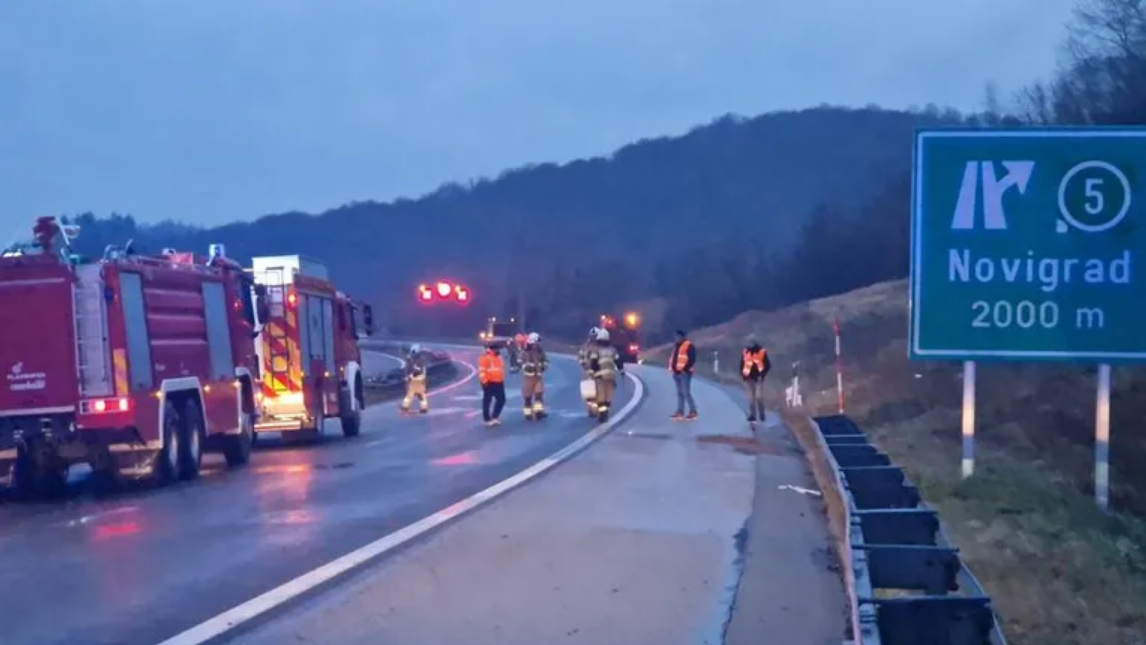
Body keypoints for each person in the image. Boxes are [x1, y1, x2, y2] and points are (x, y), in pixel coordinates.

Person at [585, 327, 619, 421]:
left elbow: (594, 362)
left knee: (601, 396)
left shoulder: (596, 350)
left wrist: (591, 372)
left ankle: (603, 414)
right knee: (608, 395)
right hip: (610, 376)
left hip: (600, 376)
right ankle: (605, 411)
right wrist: (621, 371)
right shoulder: (613, 350)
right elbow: (618, 361)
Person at [739, 334, 771, 423]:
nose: (749, 344)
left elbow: (767, 365)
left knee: (758, 397)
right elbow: (742, 364)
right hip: (748, 379)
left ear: (754, 342)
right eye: (748, 342)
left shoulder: (761, 351)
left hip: (758, 378)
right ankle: (753, 415)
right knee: (751, 398)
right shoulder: (745, 351)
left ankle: (762, 413)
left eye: (751, 342)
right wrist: (743, 375)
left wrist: (762, 375)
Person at [669, 329, 698, 420]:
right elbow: (674, 358)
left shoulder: (688, 345)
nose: (676, 338)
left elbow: (692, 359)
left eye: (677, 336)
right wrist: (673, 369)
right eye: (675, 337)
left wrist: (685, 369)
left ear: (682, 337)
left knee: (686, 392)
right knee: (680, 393)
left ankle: (693, 411)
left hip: (685, 373)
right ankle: (680, 412)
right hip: (676, 373)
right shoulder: (676, 346)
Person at [520, 332, 549, 420]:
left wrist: (544, 366)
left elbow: (546, 360)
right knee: (528, 397)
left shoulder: (541, 351)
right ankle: (528, 414)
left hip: (538, 377)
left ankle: (539, 412)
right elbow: (520, 362)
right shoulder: (525, 352)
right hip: (528, 378)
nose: (538, 344)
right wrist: (527, 367)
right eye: (537, 342)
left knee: (538, 395)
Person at [477, 342, 507, 426]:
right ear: (491, 349)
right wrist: (484, 381)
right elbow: (482, 371)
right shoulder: (484, 358)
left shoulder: (499, 357)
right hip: (489, 382)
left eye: (498, 349)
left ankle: (494, 417)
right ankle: (487, 419)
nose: (498, 350)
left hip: (499, 381)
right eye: (496, 349)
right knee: (487, 400)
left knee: (501, 400)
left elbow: (500, 368)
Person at [400, 343, 429, 415]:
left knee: (410, 394)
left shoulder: (411, 359)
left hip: (414, 379)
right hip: (419, 379)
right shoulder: (421, 359)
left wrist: (407, 377)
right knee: (420, 395)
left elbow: (408, 369)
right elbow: (423, 369)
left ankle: (405, 407)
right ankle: (423, 408)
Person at [578, 327, 600, 416]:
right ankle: (591, 408)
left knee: (598, 390)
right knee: (589, 392)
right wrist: (584, 364)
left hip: (598, 372)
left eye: (595, 336)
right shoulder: (585, 346)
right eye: (592, 336)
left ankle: (597, 407)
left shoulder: (600, 346)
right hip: (588, 372)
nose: (593, 338)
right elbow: (580, 357)